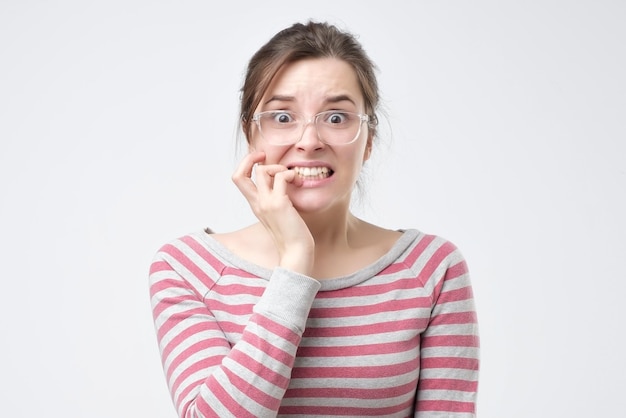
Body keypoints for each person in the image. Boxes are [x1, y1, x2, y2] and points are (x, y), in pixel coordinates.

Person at [149, 20, 480, 417]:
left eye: (336, 117)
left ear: (369, 140)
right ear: (252, 137)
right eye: (283, 118)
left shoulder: (432, 268)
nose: (309, 141)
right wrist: (295, 261)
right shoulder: (187, 268)